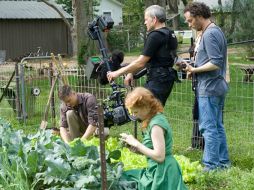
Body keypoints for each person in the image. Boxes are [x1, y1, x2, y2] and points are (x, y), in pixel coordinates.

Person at [183, 2, 230, 171]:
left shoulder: (210, 34)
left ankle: (211, 167)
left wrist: (195, 69)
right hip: (215, 86)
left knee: (208, 128)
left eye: (190, 21)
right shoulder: (213, 31)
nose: (190, 25)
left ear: (199, 16)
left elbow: (216, 62)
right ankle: (223, 164)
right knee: (217, 126)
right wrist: (194, 68)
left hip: (209, 88)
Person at [107, 5, 178, 106]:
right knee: (151, 111)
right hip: (166, 78)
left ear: (154, 19)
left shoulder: (155, 35)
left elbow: (141, 62)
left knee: (145, 111)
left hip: (158, 79)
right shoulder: (170, 33)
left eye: (146, 19)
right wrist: (131, 73)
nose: (145, 22)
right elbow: (153, 59)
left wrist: (116, 73)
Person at [119, 87, 187, 190]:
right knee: (124, 177)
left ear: (146, 107)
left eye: (136, 112)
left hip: (163, 173)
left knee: (125, 180)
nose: (134, 115)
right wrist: (137, 149)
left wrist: (137, 143)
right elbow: (152, 151)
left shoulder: (156, 125)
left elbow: (160, 157)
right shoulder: (152, 119)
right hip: (156, 169)